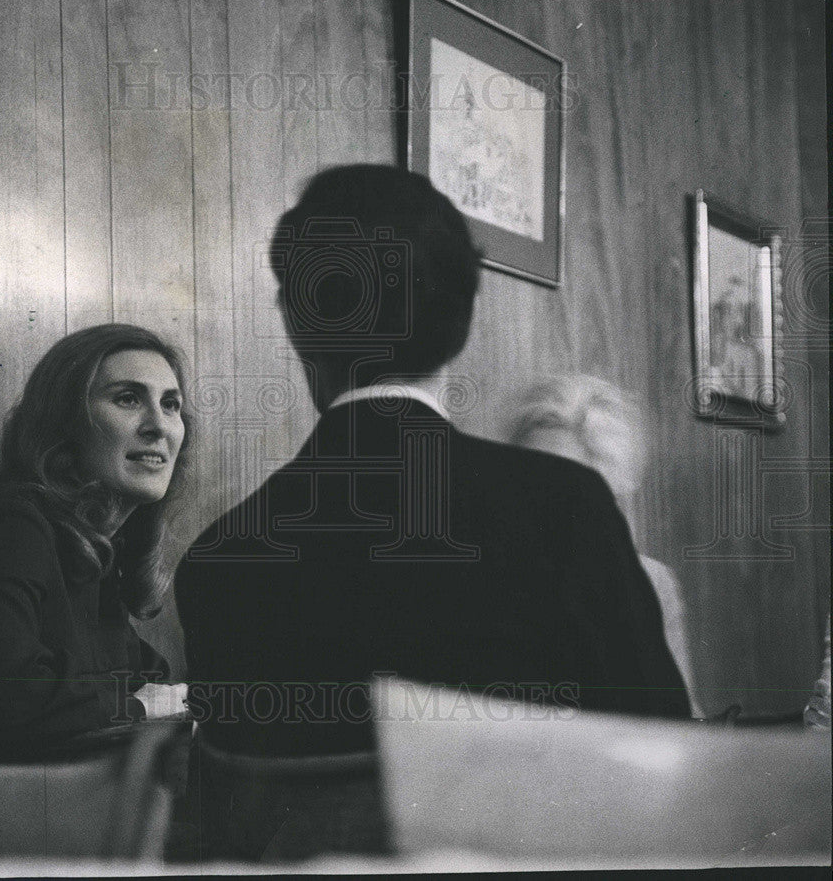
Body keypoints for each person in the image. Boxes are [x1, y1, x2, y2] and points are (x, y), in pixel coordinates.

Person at [175, 165, 689, 764]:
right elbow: (664, 756)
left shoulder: (218, 562)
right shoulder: (566, 505)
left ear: (293, 323)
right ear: (460, 326)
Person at [0, 323, 192, 760]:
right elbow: (6, 696)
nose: (158, 426)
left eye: (171, 405)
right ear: (64, 421)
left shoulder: (90, 546)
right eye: (127, 398)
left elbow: (147, 676)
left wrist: (147, 698)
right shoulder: (7, 522)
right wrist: (139, 704)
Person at [508, 374, 705, 717]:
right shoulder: (493, 575)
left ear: (618, 487)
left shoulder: (653, 582)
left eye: (582, 491)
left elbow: (683, 718)